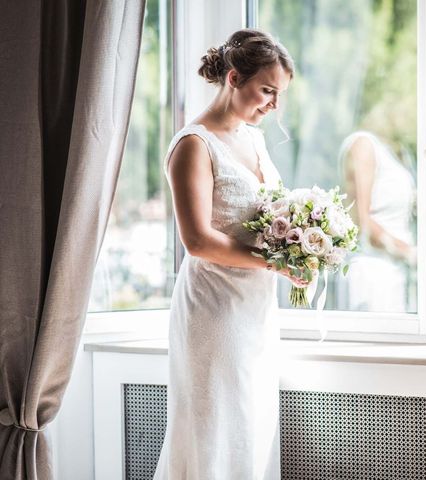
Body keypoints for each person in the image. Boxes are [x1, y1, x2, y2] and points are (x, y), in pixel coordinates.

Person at [153, 29, 304, 479]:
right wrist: (276, 262)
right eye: (267, 91)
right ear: (234, 78)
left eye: (280, 95)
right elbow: (197, 240)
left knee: (250, 430)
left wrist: (303, 243)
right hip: (214, 313)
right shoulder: (193, 146)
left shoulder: (253, 138)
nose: (273, 105)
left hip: (256, 311)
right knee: (215, 431)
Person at [338, 131, 416, 312]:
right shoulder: (362, 145)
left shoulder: (391, 151)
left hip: (393, 271)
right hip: (371, 274)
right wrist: (411, 253)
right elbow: (360, 220)